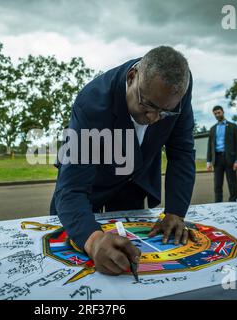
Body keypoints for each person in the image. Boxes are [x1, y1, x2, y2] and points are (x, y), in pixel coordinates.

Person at [50, 46, 198, 276]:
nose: (154, 118)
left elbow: (182, 153)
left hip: (133, 183)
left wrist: (176, 212)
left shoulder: (178, 91)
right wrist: (93, 240)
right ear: (132, 78)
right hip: (90, 183)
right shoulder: (91, 102)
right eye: (147, 105)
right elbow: (73, 188)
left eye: (165, 112)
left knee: (126, 258)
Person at [206, 106, 237, 202]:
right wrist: (208, 161)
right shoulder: (213, 129)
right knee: (217, 184)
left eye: (219, 112)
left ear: (223, 112)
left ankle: (233, 201)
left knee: (232, 183)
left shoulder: (233, 126)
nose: (217, 115)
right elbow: (210, 146)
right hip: (217, 159)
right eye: (215, 114)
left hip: (230, 159)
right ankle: (218, 203)